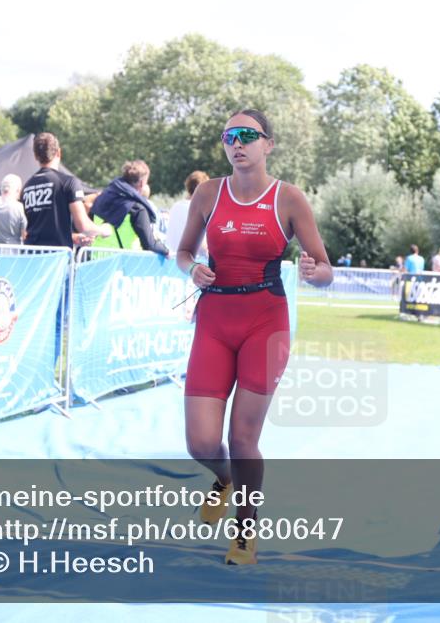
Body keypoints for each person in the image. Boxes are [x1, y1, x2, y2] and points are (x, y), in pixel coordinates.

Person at [176, 109, 332, 566]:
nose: (236, 143)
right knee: (202, 444)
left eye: (247, 135)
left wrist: (313, 271)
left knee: (243, 438)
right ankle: (224, 479)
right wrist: (192, 269)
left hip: (266, 323)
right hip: (215, 321)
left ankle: (245, 529)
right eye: (229, 136)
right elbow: (184, 252)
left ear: (268, 144)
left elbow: (324, 270)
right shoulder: (208, 193)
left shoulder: (289, 198)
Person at [22, 133, 111, 248]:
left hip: (31, 256)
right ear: (59, 152)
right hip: (56, 258)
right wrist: (103, 230)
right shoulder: (68, 182)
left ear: (35, 156)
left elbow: (37, 228)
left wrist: (72, 237)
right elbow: (83, 225)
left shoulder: (27, 187)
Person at [90, 160, 169, 255]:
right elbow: (149, 245)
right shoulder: (137, 209)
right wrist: (166, 251)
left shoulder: (101, 199)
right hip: (126, 264)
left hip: (96, 261)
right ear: (142, 183)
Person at [167, 171, 210, 253]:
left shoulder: (176, 206)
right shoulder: (199, 209)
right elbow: (202, 246)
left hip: (171, 259)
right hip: (189, 261)